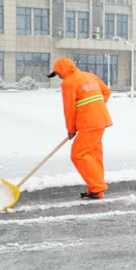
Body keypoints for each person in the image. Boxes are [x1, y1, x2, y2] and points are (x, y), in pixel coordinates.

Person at [48, 57, 113, 199]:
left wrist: (71, 129)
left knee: (78, 155)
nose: (59, 77)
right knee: (93, 155)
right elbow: (106, 92)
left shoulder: (69, 83)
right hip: (101, 120)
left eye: (58, 73)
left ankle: (97, 186)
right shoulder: (90, 76)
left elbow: (69, 109)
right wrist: (97, 108)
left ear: (63, 70)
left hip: (88, 122)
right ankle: (96, 190)